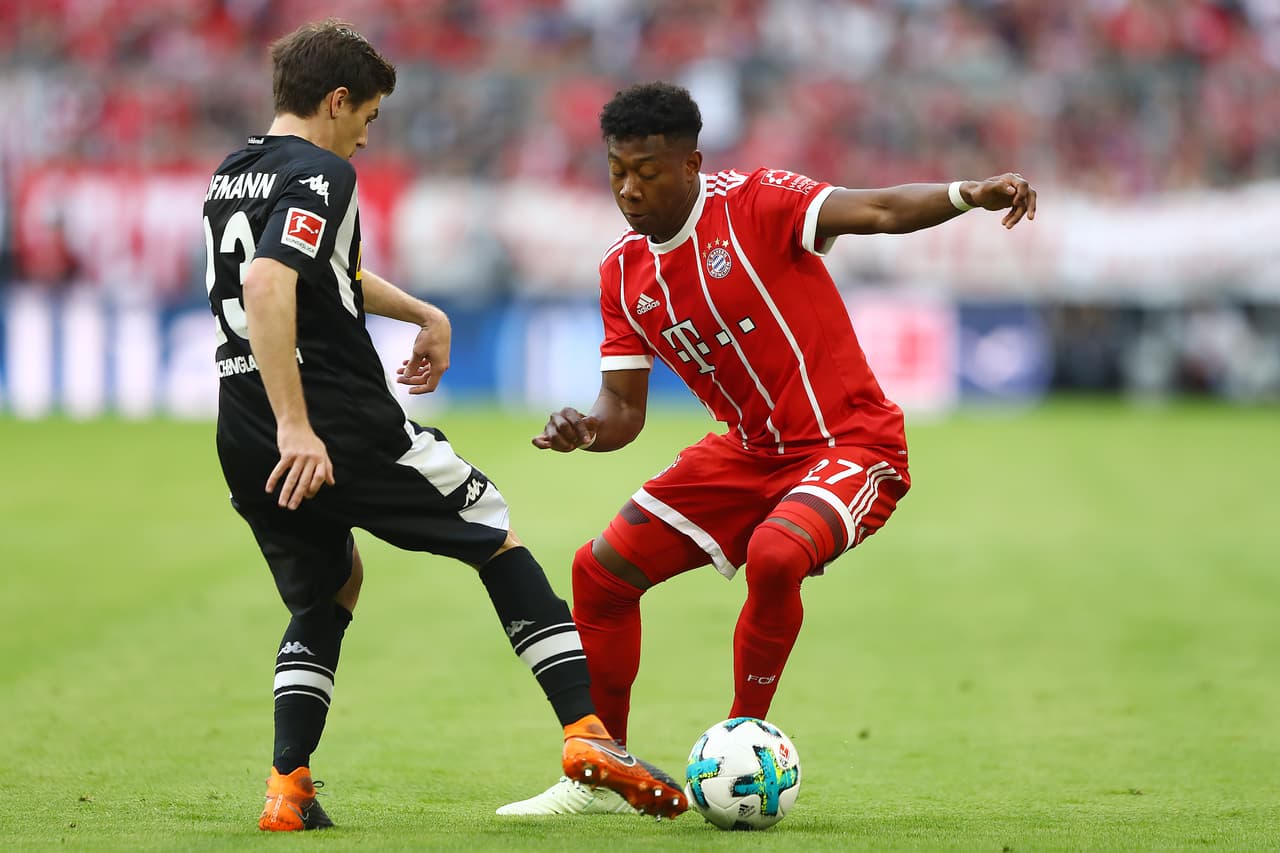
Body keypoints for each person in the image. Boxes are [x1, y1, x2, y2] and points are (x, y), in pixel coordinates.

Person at [499, 81, 1036, 815]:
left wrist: (967, 192)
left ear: (690, 164)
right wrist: (585, 431)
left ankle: (741, 733)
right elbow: (622, 410)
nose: (629, 188)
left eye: (647, 171)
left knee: (778, 554)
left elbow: (876, 209)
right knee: (600, 572)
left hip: (852, 441)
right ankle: (601, 766)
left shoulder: (757, 203)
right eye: (618, 170)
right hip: (750, 453)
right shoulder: (623, 274)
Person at [203, 23, 686, 831]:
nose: (367, 133)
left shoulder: (234, 172)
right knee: (494, 531)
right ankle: (586, 734)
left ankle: (288, 786)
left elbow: (322, 269)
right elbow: (266, 283)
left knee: (332, 585)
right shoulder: (324, 171)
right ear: (336, 100)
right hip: (331, 421)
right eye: (370, 115)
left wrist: (421, 310)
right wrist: (300, 424)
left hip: (240, 427)